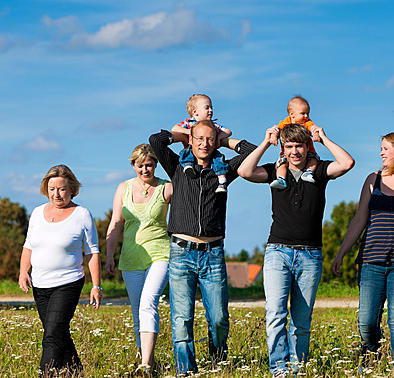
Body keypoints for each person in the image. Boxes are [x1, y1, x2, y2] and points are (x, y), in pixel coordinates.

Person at [238, 123, 354, 375]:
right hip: (277, 252)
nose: (294, 152)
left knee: (301, 321)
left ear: (306, 146)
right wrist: (266, 143)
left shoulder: (320, 171)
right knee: (275, 313)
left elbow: (347, 163)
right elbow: (244, 170)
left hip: (310, 255)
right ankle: (279, 368)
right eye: (289, 147)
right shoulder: (273, 172)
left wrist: (323, 139)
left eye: (299, 146)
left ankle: (298, 367)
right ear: (283, 148)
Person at [149, 119, 256, 375]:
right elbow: (156, 141)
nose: (205, 144)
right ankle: (186, 370)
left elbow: (250, 151)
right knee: (181, 319)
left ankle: (217, 355)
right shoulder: (176, 167)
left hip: (213, 253)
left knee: (219, 319)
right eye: (199, 139)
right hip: (181, 253)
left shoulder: (224, 171)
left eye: (210, 139)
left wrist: (223, 139)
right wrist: (184, 134)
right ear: (191, 141)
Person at [331, 131, 394, 361]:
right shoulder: (372, 179)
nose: (381, 153)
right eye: (381, 148)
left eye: (386, 148)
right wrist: (341, 253)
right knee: (366, 322)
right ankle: (372, 357)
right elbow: (359, 219)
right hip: (371, 259)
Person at [18, 164, 102, 375]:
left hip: (68, 282)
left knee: (52, 336)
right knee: (57, 331)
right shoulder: (37, 213)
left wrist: (96, 286)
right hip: (40, 283)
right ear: (46, 189)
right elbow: (28, 245)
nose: (57, 193)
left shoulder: (82, 214)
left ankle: (46, 373)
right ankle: (76, 372)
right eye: (52, 188)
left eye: (62, 189)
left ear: (71, 188)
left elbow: (92, 252)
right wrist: (23, 272)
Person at [104, 143, 173, 374]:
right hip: (131, 256)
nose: (145, 170)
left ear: (156, 165)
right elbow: (115, 223)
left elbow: (188, 210)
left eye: (150, 165)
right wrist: (109, 256)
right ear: (133, 165)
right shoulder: (123, 188)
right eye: (140, 165)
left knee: (148, 303)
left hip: (160, 254)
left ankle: (146, 363)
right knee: (137, 312)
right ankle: (147, 362)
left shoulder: (167, 188)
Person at [172, 94, 232, 193]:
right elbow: (174, 128)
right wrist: (190, 132)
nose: (211, 111)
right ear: (195, 112)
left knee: (218, 159)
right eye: (207, 108)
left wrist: (217, 138)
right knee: (185, 152)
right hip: (193, 148)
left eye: (211, 108)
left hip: (209, 151)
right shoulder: (190, 123)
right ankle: (188, 166)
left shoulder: (213, 125)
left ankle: (222, 180)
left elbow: (228, 131)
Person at [269, 96, 320, 189]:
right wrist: (273, 136)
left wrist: (316, 134)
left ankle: (308, 172)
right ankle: (281, 178)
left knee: (314, 160)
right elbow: (276, 129)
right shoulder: (285, 122)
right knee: (281, 164)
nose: (306, 116)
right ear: (292, 114)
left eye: (308, 113)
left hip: (309, 151)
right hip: (286, 154)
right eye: (303, 113)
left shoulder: (307, 122)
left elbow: (313, 128)